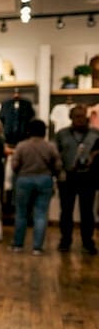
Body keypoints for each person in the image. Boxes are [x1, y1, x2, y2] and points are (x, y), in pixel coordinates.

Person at [9, 118, 61, 255]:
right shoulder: (50, 146)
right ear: (44, 131)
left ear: (29, 131)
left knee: (21, 214)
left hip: (24, 179)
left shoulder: (21, 146)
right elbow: (58, 166)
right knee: (41, 214)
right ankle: (37, 247)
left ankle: (18, 245)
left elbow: (14, 165)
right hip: (45, 180)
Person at [52, 103, 99, 253]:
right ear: (71, 117)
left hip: (88, 177)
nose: (80, 120)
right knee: (66, 211)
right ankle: (65, 240)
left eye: (82, 116)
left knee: (87, 212)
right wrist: (59, 171)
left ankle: (88, 241)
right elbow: (55, 154)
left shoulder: (95, 134)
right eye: (76, 116)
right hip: (68, 177)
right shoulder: (61, 134)